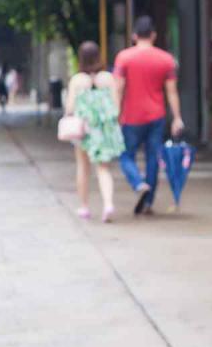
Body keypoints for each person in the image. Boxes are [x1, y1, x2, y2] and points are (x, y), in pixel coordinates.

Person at [113, 15, 184, 215]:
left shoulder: (124, 58)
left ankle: (138, 183)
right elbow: (172, 92)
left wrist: (115, 115)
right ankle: (148, 202)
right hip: (156, 116)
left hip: (131, 117)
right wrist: (177, 118)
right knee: (153, 158)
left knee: (126, 155)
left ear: (134, 36)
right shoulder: (166, 59)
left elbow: (118, 89)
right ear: (153, 35)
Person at [64, 41, 125, 222]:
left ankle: (84, 207)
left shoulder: (77, 80)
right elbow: (116, 105)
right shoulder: (108, 78)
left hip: (84, 129)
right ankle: (108, 204)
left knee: (83, 167)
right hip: (103, 130)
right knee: (103, 168)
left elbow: (70, 107)